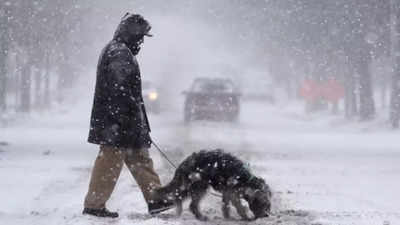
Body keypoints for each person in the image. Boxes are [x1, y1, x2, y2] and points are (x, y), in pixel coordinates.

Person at [83, 13, 174, 218]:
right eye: (140, 36)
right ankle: (94, 204)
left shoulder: (119, 50)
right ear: (131, 34)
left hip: (121, 120)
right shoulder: (119, 53)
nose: (141, 41)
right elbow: (121, 90)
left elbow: (124, 92)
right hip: (117, 121)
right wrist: (128, 119)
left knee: (139, 157)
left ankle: (156, 199)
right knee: (110, 160)